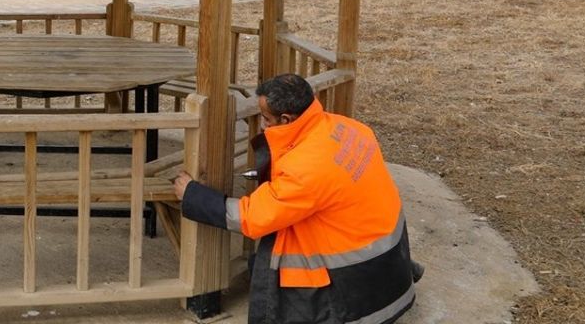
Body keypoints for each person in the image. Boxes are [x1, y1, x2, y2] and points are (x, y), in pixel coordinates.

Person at [174, 73, 419, 324]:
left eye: (265, 118)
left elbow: (254, 217)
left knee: (279, 249)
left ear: (286, 119)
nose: (261, 125)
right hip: (388, 266)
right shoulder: (348, 127)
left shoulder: (306, 168)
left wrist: (194, 195)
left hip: (352, 288)